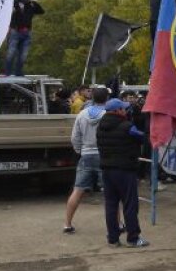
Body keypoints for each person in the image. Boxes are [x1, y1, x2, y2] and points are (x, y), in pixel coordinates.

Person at [95, 98, 148, 247]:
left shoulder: (100, 126)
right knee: (130, 205)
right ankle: (133, 238)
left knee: (111, 205)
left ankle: (113, 239)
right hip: (125, 170)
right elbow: (143, 137)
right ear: (117, 111)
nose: (126, 111)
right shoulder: (127, 126)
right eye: (123, 109)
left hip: (107, 170)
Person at [63, 86, 110, 233]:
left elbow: (74, 137)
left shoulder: (82, 114)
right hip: (104, 156)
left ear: (92, 98)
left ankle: (67, 224)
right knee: (110, 193)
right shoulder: (107, 115)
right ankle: (118, 224)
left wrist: (80, 150)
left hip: (86, 155)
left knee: (77, 191)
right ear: (107, 99)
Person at [4, 0, 44, 77]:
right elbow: (7, 9)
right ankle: (7, 72)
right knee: (11, 52)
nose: (28, 0)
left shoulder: (32, 5)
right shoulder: (16, 3)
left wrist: (34, 4)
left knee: (23, 55)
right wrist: (17, 7)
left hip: (27, 33)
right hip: (16, 31)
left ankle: (18, 72)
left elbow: (41, 11)